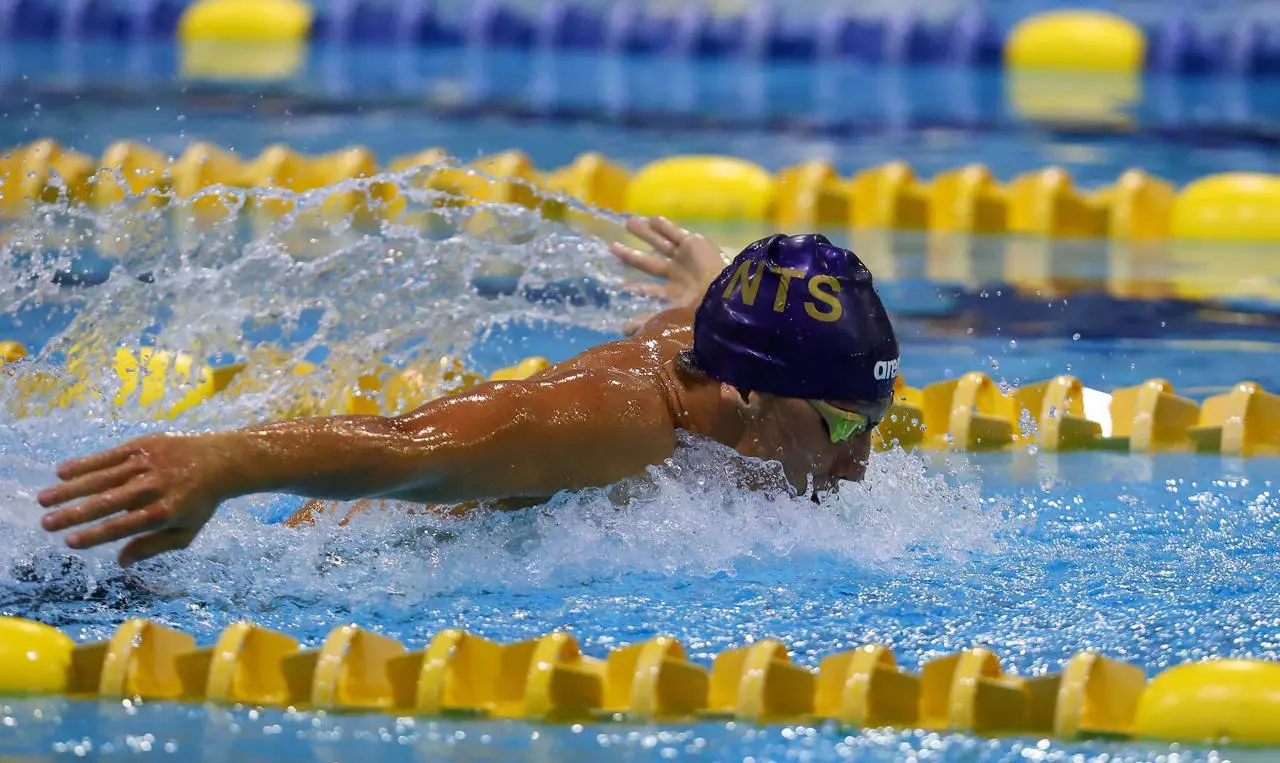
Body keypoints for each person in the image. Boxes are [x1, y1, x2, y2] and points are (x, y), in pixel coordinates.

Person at [36, 217, 900, 567]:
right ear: (750, 391)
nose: (857, 466)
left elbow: (705, 323)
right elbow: (411, 448)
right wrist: (222, 464)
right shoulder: (616, 424)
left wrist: (709, 277)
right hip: (299, 563)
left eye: (869, 424)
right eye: (837, 425)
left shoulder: (712, 352)